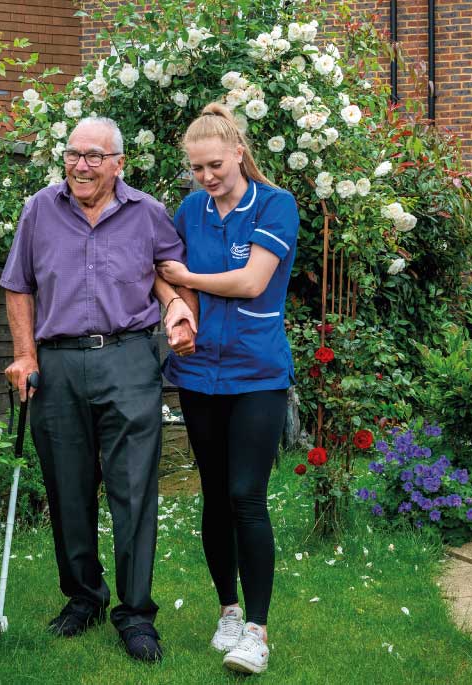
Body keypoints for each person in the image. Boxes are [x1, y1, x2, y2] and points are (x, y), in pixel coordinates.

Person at [0, 116, 198, 663]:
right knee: (68, 488)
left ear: (118, 164)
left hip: (129, 358)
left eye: (93, 156)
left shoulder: (148, 214)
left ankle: (135, 614)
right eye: (73, 154)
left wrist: (180, 310)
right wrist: (24, 354)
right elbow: (18, 286)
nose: (81, 166)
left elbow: (173, 273)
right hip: (58, 364)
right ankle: (83, 597)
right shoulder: (40, 208)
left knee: (133, 490)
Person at [155, 103, 299, 675]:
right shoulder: (190, 211)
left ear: (238, 152)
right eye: (197, 169)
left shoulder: (276, 204)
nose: (207, 177)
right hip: (197, 375)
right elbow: (159, 268)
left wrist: (185, 280)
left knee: (246, 495)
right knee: (214, 495)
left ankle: (259, 633)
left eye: (215, 164)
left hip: (257, 373)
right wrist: (176, 310)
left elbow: (251, 281)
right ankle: (229, 611)